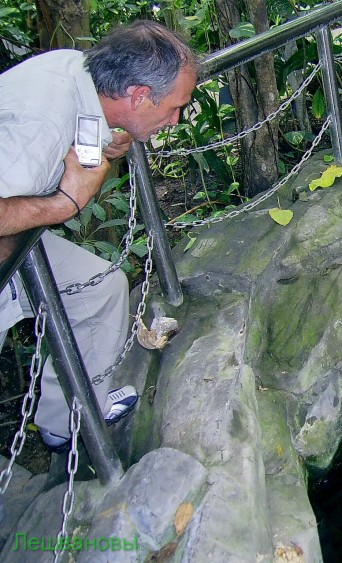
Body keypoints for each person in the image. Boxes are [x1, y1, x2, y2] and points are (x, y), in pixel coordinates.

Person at [0, 21, 198, 450]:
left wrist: (104, 140)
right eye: (174, 107)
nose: (176, 119)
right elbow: (34, 148)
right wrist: (63, 206)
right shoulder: (41, 127)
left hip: (16, 239)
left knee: (100, 286)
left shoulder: (78, 73)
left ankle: (65, 417)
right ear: (140, 96)